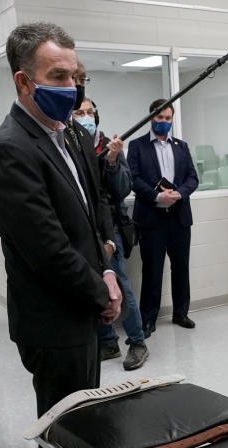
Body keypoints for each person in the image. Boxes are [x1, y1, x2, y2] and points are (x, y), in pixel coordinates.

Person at [0, 22, 123, 448]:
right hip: (53, 321)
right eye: (58, 76)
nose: (71, 85)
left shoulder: (70, 136)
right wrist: (101, 291)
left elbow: (95, 213)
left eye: (76, 75)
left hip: (85, 306)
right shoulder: (9, 152)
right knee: (61, 437)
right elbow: (49, 251)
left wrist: (108, 266)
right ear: (23, 81)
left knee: (85, 424)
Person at [70, 81, 148, 371]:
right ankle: (108, 342)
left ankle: (137, 341)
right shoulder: (70, 146)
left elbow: (121, 191)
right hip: (81, 229)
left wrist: (113, 161)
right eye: (79, 113)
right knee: (92, 285)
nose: (86, 117)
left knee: (119, 283)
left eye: (89, 112)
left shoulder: (108, 146)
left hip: (110, 226)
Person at [128, 99, 199, 336]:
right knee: (152, 270)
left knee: (181, 268)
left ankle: (181, 313)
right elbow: (134, 179)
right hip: (151, 218)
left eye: (168, 118)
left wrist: (179, 194)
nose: (164, 122)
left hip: (179, 217)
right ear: (151, 118)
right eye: (160, 118)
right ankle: (148, 319)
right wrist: (158, 197)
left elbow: (192, 177)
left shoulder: (181, 146)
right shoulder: (137, 146)